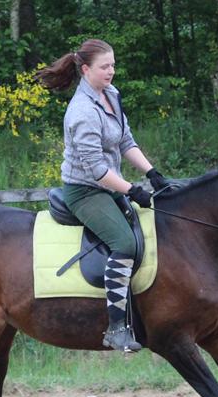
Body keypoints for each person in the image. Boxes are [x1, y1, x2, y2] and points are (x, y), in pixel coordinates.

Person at [36, 39, 172, 353]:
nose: (111, 71)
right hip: (85, 191)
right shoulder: (81, 111)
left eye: (112, 65)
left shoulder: (111, 95)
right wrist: (132, 190)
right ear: (85, 70)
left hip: (109, 185)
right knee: (124, 242)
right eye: (104, 67)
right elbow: (96, 169)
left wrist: (152, 173)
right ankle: (116, 328)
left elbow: (126, 141)